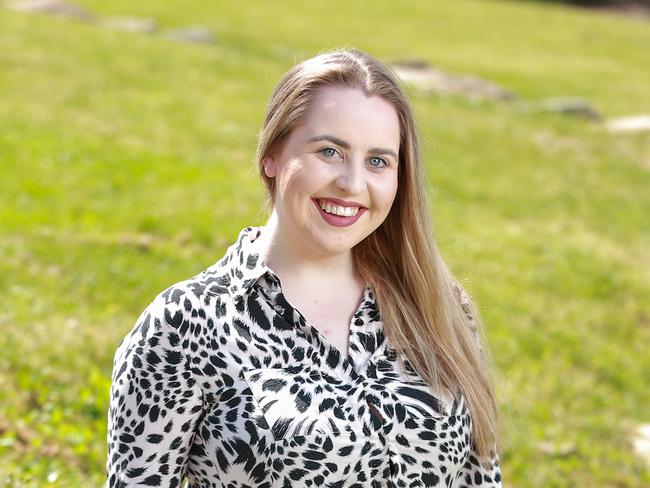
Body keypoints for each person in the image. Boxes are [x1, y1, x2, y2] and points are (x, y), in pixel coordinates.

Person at [106, 47, 502, 487]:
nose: (352, 184)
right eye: (329, 152)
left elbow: (481, 478)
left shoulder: (439, 307)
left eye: (377, 161)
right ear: (270, 155)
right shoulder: (187, 323)